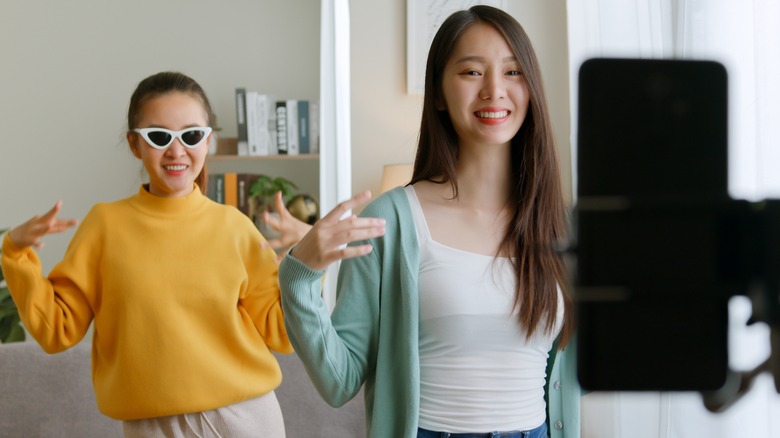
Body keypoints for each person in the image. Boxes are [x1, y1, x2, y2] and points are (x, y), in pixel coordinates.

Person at [276, 5, 581, 438]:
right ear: (437, 92)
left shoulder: (560, 226)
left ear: (531, 89)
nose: (494, 90)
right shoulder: (391, 220)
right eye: (472, 72)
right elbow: (338, 380)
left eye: (513, 72)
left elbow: (578, 374)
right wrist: (299, 276)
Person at [1, 71, 294, 437]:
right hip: (149, 426)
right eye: (158, 137)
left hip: (244, 419)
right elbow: (57, 330)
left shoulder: (235, 228)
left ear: (208, 142)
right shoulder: (105, 226)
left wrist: (310, 262)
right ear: (134, 145)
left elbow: (281, 332)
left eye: (191, 135)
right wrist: (15, 252)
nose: (176, 151)